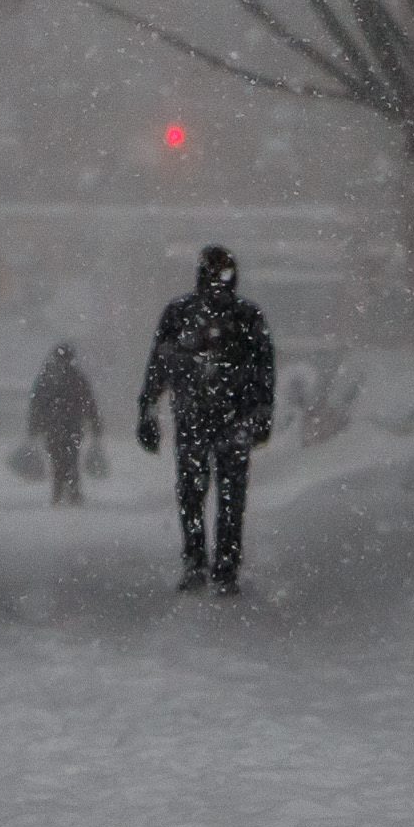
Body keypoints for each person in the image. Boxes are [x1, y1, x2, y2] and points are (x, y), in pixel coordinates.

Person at [136, 244, 274, 594]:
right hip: (217, 416)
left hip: (207, 416)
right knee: (219, 494)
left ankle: (205, 562)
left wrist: (149, 409)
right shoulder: (240, 316)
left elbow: (160, 365)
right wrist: (260, 412)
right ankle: (215, 564)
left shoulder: (190, 314)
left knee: (200, 492)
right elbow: (263, 371)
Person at [25, 340, 101, 506]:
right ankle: (72, 490)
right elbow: (89, 403)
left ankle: (59, 490)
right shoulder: (77, 377)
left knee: (57, 458)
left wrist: (34, 426)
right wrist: (95, 425)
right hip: (73, 425)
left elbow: (37, 403)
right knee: (71, 457)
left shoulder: (47, 377)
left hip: (52, 427)